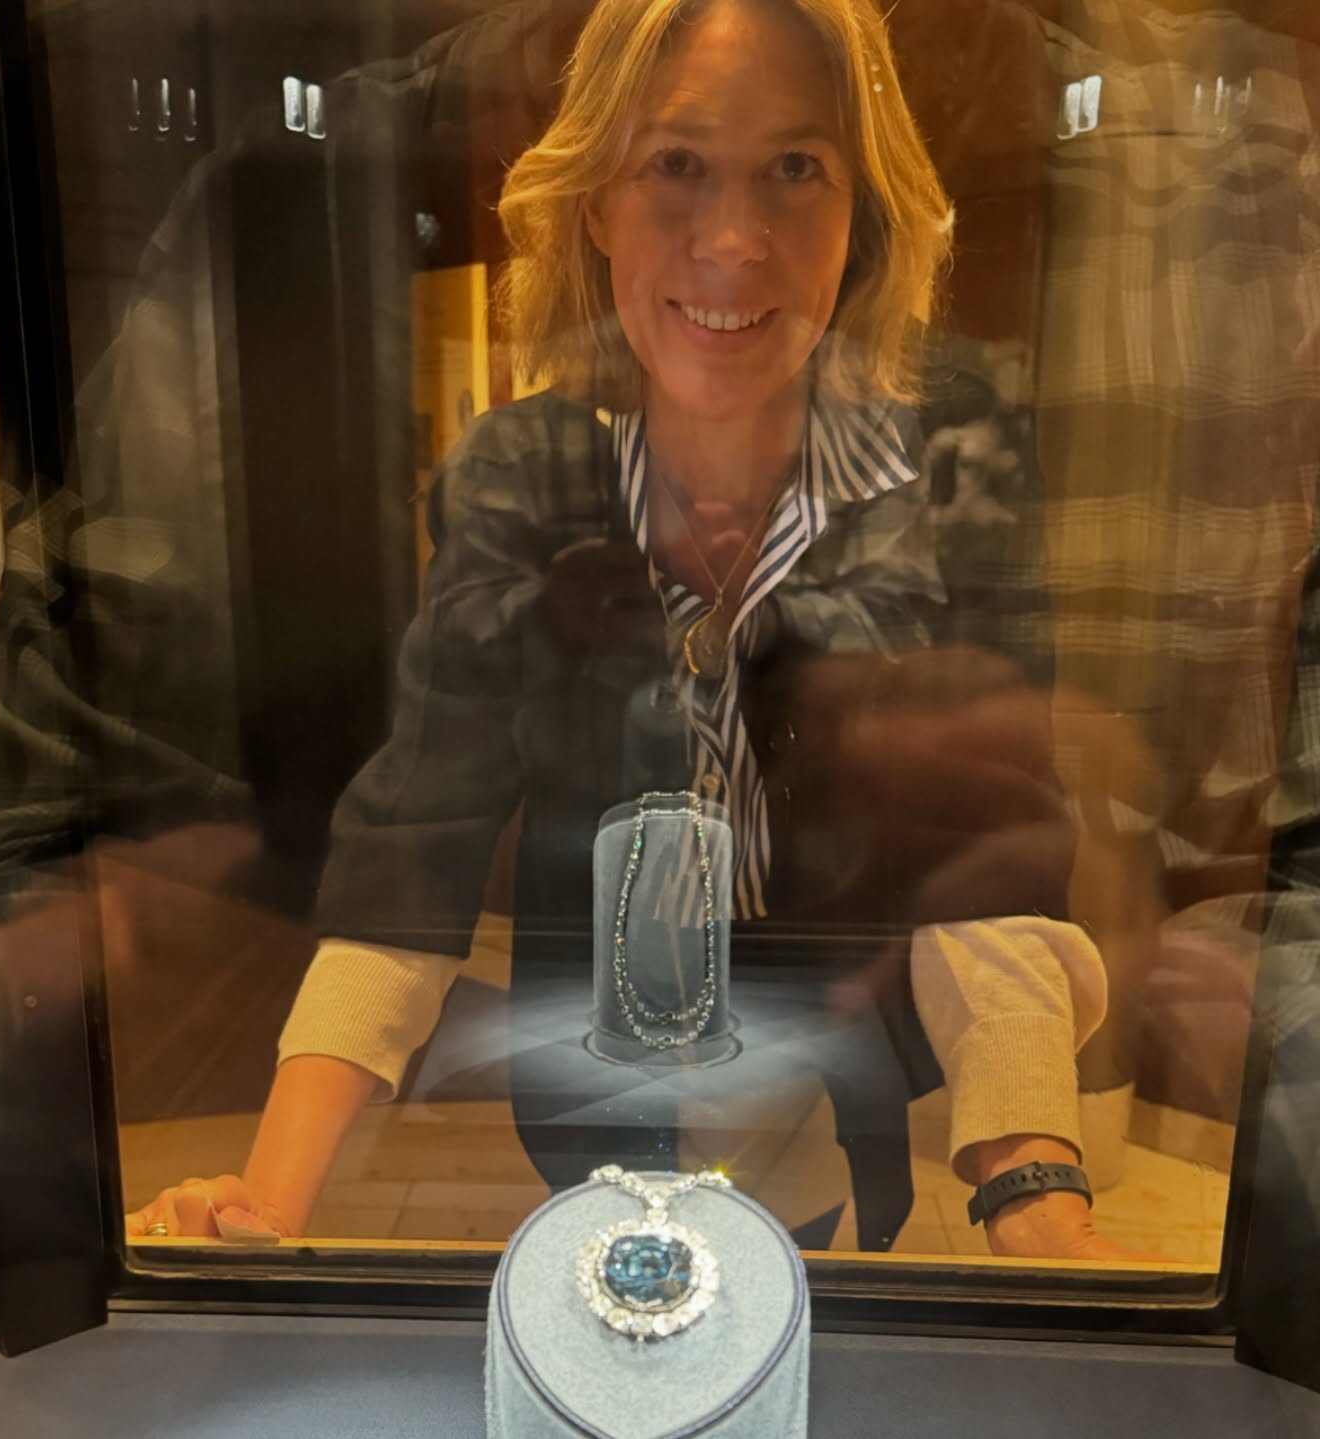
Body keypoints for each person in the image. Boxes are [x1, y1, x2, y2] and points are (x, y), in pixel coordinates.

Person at [126, 0, 1133, 1259]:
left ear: (863, 214)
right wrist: (266, 1198)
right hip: (590, 1114)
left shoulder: (949, 458)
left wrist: (1028, 1182)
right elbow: (416, 839)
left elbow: (991, 849)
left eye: (797, 168)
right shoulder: (520, 472)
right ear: (592, 198)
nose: (732, 237)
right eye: (676, 164)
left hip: (844, 1085)